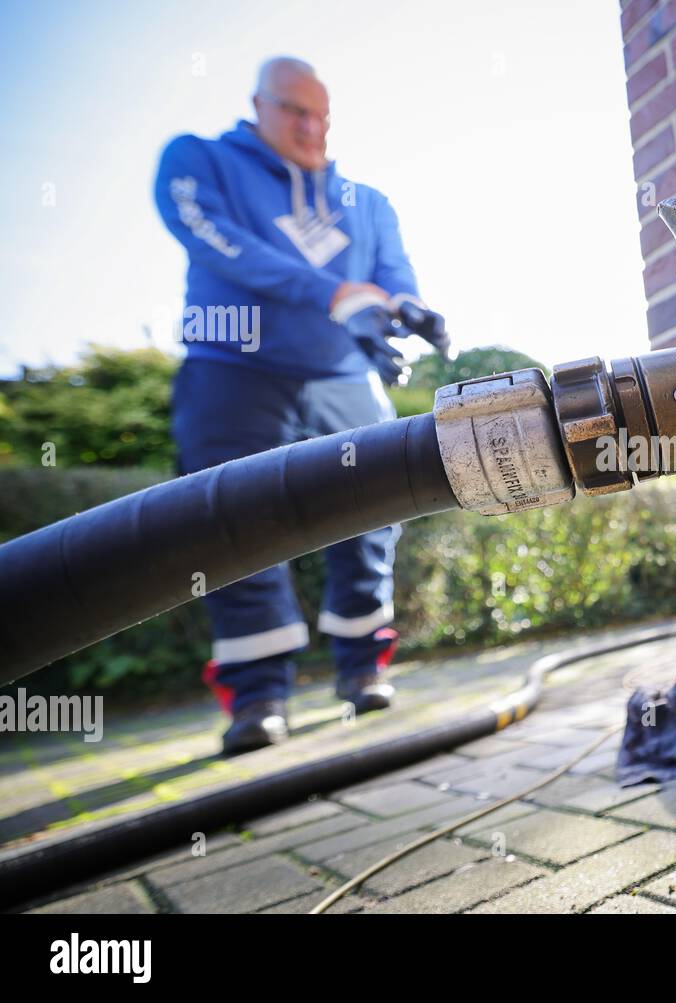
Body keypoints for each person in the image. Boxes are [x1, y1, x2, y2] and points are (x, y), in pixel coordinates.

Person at [154, 56, 448, 755]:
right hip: (234, 368)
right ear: (258, 104)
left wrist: (407, 309)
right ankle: (258, 698)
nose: (311, 127)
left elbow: (391, 276)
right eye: (294, 110)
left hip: (344, 375)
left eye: (322, 114)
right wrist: (330, 293)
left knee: (374, 510)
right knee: (231, 520)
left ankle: (362, 669)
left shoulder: (368, 202)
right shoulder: (199, 160)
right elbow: (217, 240)